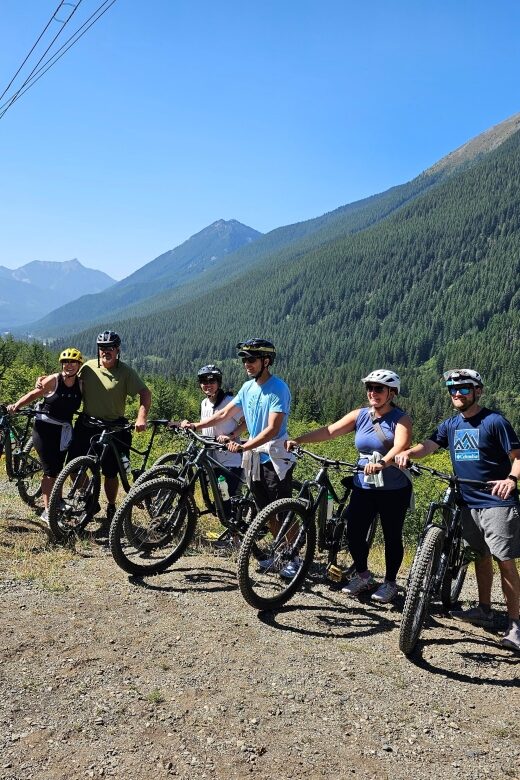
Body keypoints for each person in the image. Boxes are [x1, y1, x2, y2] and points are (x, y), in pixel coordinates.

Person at [395, 368, 520, 653]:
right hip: (466, 502)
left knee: (505, 561)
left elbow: (517, 456)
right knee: (479, 556)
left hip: (496, 501)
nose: (457, 394)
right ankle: (484, 609)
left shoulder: (494, 421)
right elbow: (428, 445)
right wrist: (407, 453)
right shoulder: (451, 425)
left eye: (464, 388)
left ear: (478, 391)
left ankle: (515, 624)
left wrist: (511, 480)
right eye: (453, 389)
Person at [287, 369, 412, 603]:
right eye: (369, 388)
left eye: (379, 389)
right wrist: (299, 439)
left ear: (392, 393)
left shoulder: (400, 419)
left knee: (392, 536)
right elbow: (330, 431)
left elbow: (400, 446)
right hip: (363, 484)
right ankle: (364, 576)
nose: (372, 392)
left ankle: (390, 583)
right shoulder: (360, 415)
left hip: (393, 488)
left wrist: (383, 463)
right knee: (353, 532)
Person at [181, 339, 295, 514]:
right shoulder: (247, 387)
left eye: (251, 360)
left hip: (273, 458)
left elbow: (272, 429)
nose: (246, 364)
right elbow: (223, 414)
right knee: (264, 514)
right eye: (244, 360)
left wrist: (243, 446)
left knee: (281, 515)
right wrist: (196, 425)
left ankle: (292, 534)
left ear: (266, 361)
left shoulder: (278, 388)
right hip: (254, 458)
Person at [66, 330, 151, 522]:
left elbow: (145, 393)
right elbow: (67, 378)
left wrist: (141, 418)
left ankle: (111, 505)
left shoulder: (125, 371)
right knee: (72, 466)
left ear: (117, 350)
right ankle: (89, 500)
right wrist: (46, 381)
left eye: (110, 348)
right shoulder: (87, 367)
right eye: (102, 348)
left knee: (110, 473)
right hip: (87, 424)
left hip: (114, 428)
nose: (106, 351)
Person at [8, 347, 83, 521]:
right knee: (50, 471)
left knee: (58, 468)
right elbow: (34, 394)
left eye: (73, 362)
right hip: (44, 428)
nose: (69, 365)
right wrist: (16, 406)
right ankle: (48, 511)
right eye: (65, 362)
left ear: (79, 365)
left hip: (64, 430)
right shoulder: (54, 380)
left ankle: (58, 500)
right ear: (61, 364)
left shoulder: (81, 384)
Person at [187, 364, 244, 531]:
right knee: (220, 498)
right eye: (204, 381)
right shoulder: (204, 403)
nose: (208, 385)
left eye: (212, 381)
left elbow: (246, 422)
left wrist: (231, 435)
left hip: (230, 458)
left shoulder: (229, 402)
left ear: (219, 383)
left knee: (228, 498)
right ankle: (232, 532)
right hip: (211, 458)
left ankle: (237, 536)